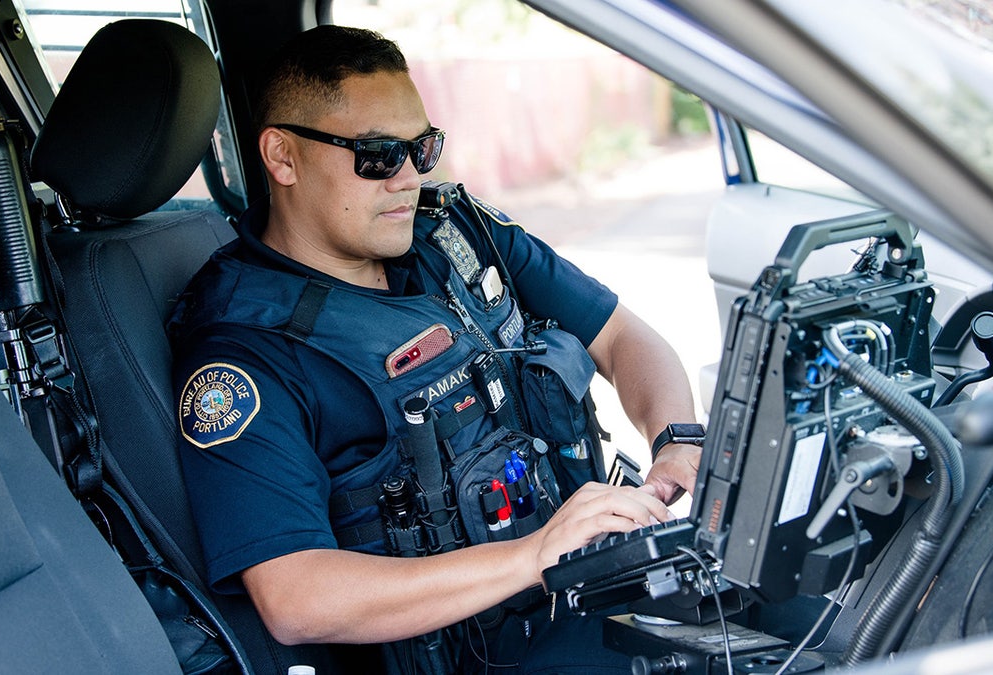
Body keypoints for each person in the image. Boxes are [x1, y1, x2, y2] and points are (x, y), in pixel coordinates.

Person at [169, 24, 704, 674]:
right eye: (376, 154)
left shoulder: (456, 234)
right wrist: (536, 553)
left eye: (422, 148)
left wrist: (677, 437)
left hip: (584, 593)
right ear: (282, 157)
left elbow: (621, 333)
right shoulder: (245, 354)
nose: (408, 178)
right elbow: (295, 595)